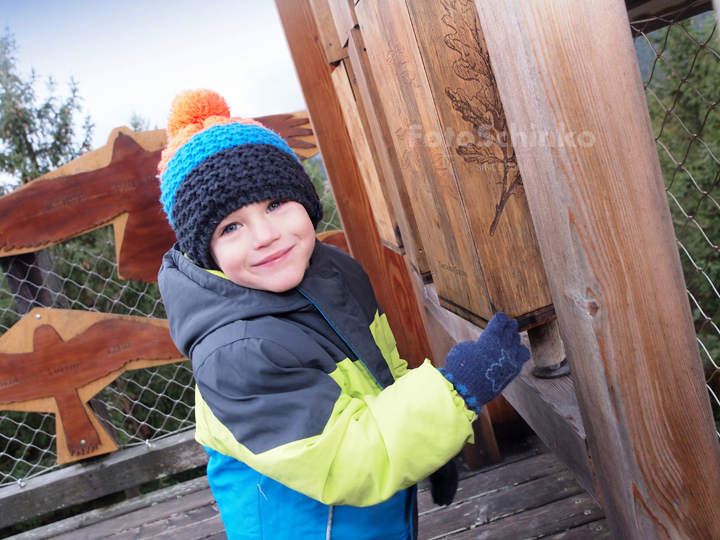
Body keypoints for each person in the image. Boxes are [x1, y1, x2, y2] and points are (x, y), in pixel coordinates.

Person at [157, 89, 530, 540]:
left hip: (373, 507)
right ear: (207, 251)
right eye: (231, 227)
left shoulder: (334, 273)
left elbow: (380, 373)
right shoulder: (236, 354)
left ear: (305, 200)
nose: (265, 235)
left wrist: (433, 439)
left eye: (275, 204)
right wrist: (455, 394)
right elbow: (348, 459)